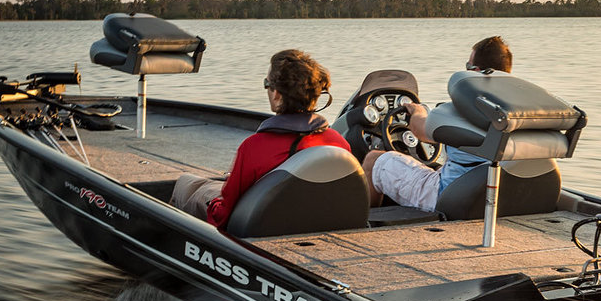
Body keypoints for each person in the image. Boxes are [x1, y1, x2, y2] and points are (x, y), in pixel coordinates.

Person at [171, 49, 350, 229]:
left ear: (277, 94)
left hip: (256, 225)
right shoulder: (338, 145)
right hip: (311, 222)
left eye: (267, 83)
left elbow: (223, 215)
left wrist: (213, 204)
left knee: (185, 184)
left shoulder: (254, 148)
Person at [362, 36, 512, 211]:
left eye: (468, 67)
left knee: (374, 160)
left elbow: (419, 130)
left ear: (475, 71)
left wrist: (418, 111)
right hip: (494, 191)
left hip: (447, 194)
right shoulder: (514, 110)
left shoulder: (460, 109)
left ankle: (364, 225)